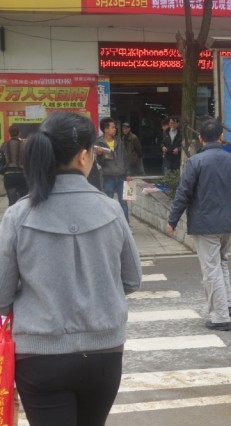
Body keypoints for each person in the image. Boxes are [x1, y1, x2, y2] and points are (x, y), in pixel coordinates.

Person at [0, 111, 141, 426]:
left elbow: (1, 296)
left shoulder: (18, 215)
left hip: (39, 356)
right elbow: (132, 280)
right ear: (82, 155)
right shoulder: (111, 209)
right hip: (104, 353)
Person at [167, 119, 231, 331]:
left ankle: (220, 317)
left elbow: (183, 193)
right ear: (221, 137)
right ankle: (228, 303)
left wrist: (172, 220)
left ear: (200, 138)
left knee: (211, 269)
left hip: (205, 224)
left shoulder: (195, 162)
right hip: (229, 224)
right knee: (221, 262)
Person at [96, 117, 130, 222]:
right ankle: (109, 225)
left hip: (121, 176)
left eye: (115, 127)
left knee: (124, 202)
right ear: (106, 129)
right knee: (108, 202)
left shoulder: (119, 141)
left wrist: (128, 173)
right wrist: (99, 155)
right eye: (113, 127)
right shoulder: (99, 142)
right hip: (108, 177)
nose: (115, 129)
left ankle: (126, 226)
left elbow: (125, 158)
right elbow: (100, 163)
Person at [1, 124, 28, 205]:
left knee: (12, 201)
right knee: (23, 202)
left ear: (9, 133)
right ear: (19, 133)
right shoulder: (24, 144)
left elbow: (2, 159)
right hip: (21, 175)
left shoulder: (4, 145)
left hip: (9, 175)